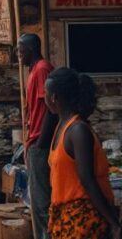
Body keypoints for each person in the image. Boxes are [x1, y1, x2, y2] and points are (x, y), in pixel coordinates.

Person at [44, 67, 121, 239]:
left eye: (46, 93)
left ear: (55, 98)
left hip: (84, 216)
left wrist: (114, 223)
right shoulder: (62, 126)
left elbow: (87, 180)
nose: (44, 98)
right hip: (65, 215)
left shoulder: (78, 130)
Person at [19, 33, 56, 239]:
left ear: (30, 50)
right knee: (38, 200)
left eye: (21, 50)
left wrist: (40, 143)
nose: (19, 55)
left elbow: (50, 108)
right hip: (34, 139)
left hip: (39, 140)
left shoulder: (42, 69)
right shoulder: (35, 69)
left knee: (41, 202)